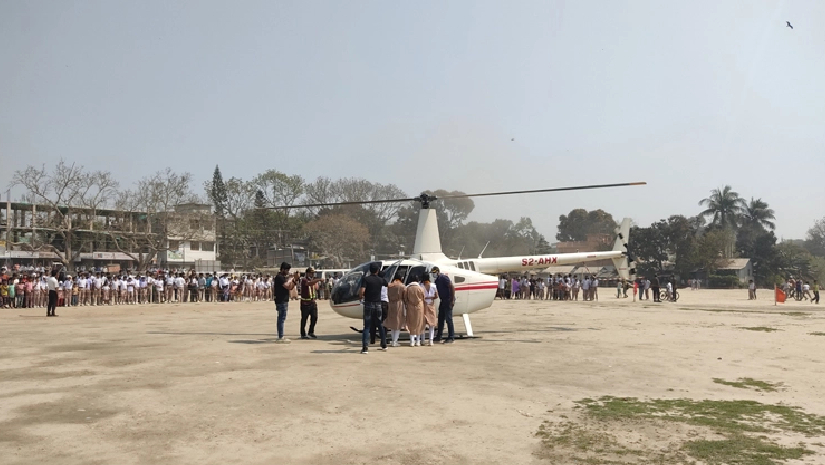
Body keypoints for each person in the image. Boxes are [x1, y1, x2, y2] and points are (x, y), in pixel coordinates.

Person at [358, 262, 388, 354]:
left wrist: (361, 297)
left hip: (368, 304)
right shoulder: (380, 280)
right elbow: (387, 284)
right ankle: (384, 345)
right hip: (378, 304)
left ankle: (365, 347)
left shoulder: (366, 279)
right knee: (380, 325)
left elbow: (362, 291)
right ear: (378, 270)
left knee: (367, 326)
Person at [272, 262, 296, 343]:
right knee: (281, 318)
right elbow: (286, 285)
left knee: (281, 318)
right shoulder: (279, 277)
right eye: (287, 270)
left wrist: (294, 280)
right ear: (282, 269)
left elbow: (290, 287)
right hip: (281, 300)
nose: (288, 272)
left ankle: (280, 335)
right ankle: (280, 336)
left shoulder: (283, 278)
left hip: (284, 300)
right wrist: (291, 279)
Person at [299, 267, 324, 340]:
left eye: (313, 273)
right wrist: (318, 280)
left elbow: (315, 287)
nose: (312, 274)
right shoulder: (304, 280)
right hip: (305, 303)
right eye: (311, 273)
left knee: (314, 317)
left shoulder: (312, 280)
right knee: (304, 319)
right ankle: (303, 334)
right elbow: (309, 284)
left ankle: (311, 332)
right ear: (307, 273)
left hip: (312, 302)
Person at [433, 266, 455, 344]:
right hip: (443, 300)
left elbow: (451, 287)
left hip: (448, 300)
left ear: (438, 272)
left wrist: (452, 300)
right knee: (441, 319)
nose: (433, 274)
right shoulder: (437, 280)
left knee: (449, 319)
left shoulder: (443, 278)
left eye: (434, 273)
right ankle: (439, 336)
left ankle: (451, 337)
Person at [403, 273, 426, 347]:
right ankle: (418, 341)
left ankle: (412, 341)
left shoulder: (407, 288)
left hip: (410, 306)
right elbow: (423, 298)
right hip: (419, 306)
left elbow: (405, 298)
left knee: (411, 323)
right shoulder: (420, 288)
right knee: (419, 323)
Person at [385, 273, 407, 347]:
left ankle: (392, 340)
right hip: (399, 304)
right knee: (398, 323)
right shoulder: (402, 286)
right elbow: (405, 296)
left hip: (390, 304)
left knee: (392, 323)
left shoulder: (389, 286)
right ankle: (395, 340)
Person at [420, 274, 438, 346]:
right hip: (431, 304)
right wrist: (431, 297)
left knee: (422, 323)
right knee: (432, 323)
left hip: (423, 305)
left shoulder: (421, 286)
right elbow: (436, 296)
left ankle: (422, 340)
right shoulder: (433, 286)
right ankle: (431, 340)